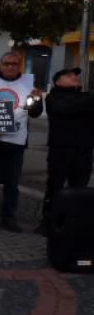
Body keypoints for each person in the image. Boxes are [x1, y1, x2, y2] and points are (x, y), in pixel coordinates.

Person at [0, 52, 43, 232]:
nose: (10, 67)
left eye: (14, 64)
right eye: (7, 64)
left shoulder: (29, 84)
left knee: (12, 183)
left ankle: (9, 217)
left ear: (19, 65)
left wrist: (36, 100)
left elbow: (34, 113)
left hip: (15, 141)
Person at [37, 67, 94, 236]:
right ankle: (48, 222)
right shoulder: (54, 98)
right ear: (57, 82)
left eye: (76, 75)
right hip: (60, 150)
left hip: (83, 150)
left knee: (79, 189)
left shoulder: (86, 97)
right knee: (55, 187)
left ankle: (75, 223)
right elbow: (66, 108)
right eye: (68, 75)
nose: (74, 77)